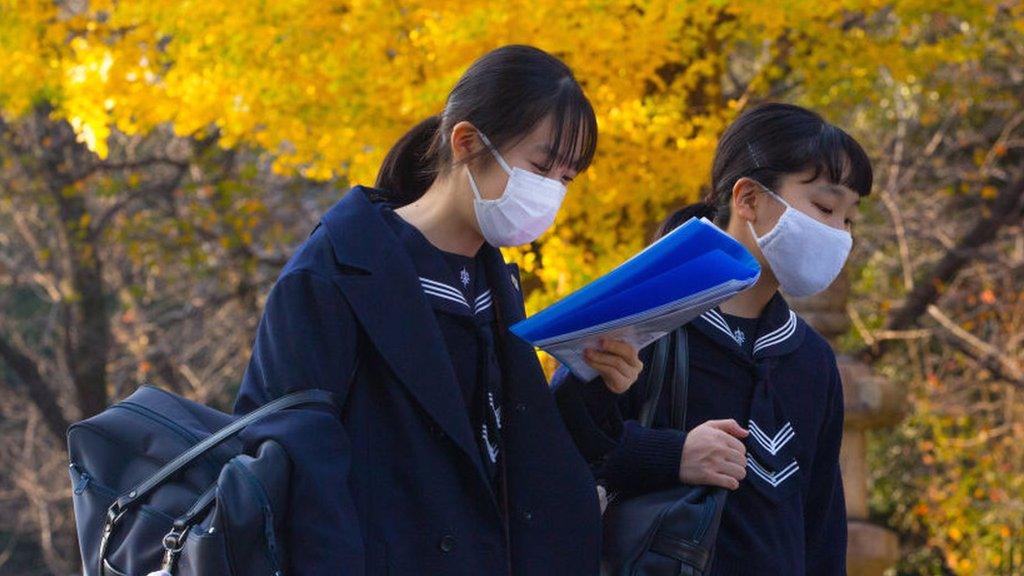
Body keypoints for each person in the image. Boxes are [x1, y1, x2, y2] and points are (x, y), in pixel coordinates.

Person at [232, 45, 643, 575]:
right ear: (468, 142)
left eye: (566, 178)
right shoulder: (336, 272)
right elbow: (293, 461)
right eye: (541, 167)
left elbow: (515, 454)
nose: (551, 193)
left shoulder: (495, 285)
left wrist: (594, 380)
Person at [554, 102, 873, 575]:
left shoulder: (812, 360)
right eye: (825, 207)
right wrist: (672, 455)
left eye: (848, 219)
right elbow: (557, 449)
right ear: (748, 199)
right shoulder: (641, 315)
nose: (837, 234)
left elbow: (821, 527)